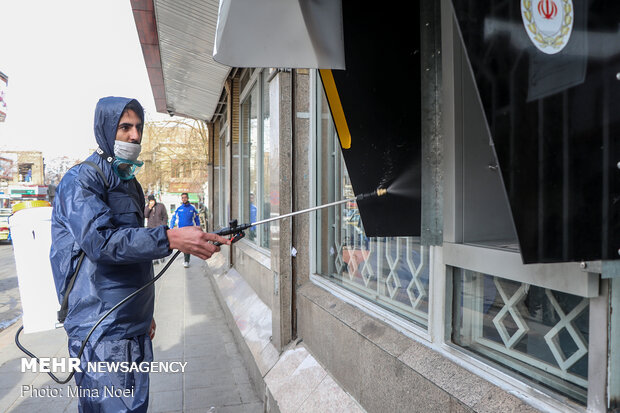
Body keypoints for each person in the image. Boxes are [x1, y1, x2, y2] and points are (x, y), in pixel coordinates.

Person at [50, 97, 229, 413]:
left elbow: (133, 252)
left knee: (133, 406)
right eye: (124, 127)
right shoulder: (82, 180)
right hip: (100, 324)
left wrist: (144, 310)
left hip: (132, 321)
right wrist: (171, 237)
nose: (134, 136)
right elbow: (101, 242)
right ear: (105, 129)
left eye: (138, 127)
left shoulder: (130, 184)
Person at [170, 193, 201, 268]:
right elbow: (173, 218)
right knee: (184, 245)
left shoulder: (192, 209)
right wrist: (171, 228)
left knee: (187, 245)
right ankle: (186, 259)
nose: (184, 199)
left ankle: (186, 260)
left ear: (188, 198)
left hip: (190, 229)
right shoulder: (179, 209)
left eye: (185, 197)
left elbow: (197, 219)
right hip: (181, 230)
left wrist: (198, 227)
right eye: (182, 198)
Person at [145, 194, 169, 265]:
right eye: (150, 201)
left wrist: (163, 225)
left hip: (160, 227)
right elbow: (145, 215)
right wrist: (149, 207)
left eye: (152, 200)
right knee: (153, 244)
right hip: (151, 228)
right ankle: (155, 259)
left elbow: (165, 216)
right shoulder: (147, 207)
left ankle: (162, 256)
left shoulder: (161, 206)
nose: (152, 202)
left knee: (161, 243)